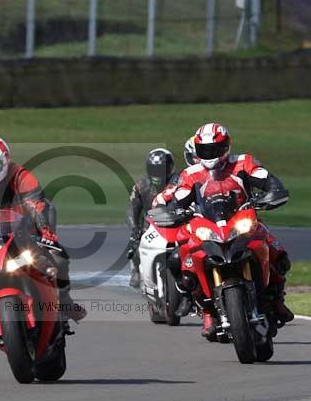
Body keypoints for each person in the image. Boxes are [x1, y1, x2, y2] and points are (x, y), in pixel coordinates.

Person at [155, 123, 293, 336]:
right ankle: (206, 310)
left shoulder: (243, 162)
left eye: (214, 149)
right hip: (206, 225)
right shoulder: (190, 174)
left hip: (242, 221)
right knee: (179, 260)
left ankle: (277, 299)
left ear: (226, 147)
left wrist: (273, 192)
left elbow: (267, 179)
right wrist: (172, 212)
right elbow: (178, 199)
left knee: (279, 254)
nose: (209, 154)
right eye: (204, 150)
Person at [0, 134, 86, 324]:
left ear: (4, 162)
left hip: (25, 237)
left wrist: (46, 233)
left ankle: (63, 302)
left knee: (58, 259)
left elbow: (37, 206)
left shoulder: (20, 177)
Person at [125, 148, 178, 288]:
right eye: (155, 170)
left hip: (177, 222)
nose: (159, 173)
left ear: (170, 168)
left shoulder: (180, 182)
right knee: (136, 241)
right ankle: (136, 268)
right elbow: (132, 209)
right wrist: (135, 228)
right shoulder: (140, 186)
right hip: (150, 226)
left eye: (162, 169)